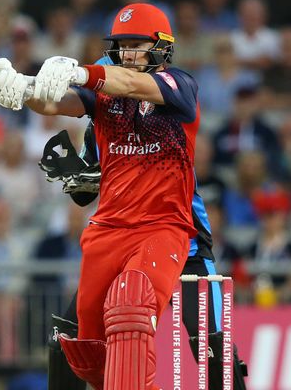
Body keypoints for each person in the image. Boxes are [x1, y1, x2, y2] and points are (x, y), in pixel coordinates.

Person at [0, 2, 229, 389]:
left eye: (137, 44)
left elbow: (131, 84)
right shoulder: (101, 105)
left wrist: (83, 72)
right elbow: (55, 103)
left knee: (210, 347)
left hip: (179, 237)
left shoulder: (180, 86)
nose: (127, 53)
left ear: (161, 47)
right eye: (121, 44)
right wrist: (21, 91)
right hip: (112, 230)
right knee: (78, 345)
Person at [37, 120, 248, 389]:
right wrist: (75, 175)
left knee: (213, 344)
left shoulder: (164, 114)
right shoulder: (99, 123)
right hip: (127, 247)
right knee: (67, 338)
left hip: (184, 246)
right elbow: (83, 195)